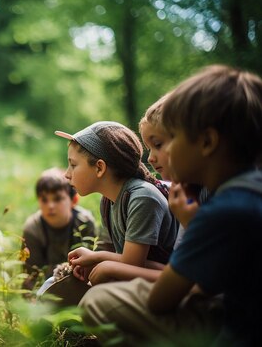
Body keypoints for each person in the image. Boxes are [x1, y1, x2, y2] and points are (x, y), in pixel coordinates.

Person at [79, 65, 262, 346]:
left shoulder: (221, 210)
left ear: (207, 142)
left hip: (233, 328)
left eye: (170, 139)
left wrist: (194, 224)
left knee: (98, 300)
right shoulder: (242, 193)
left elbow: (161, 299)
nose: (153, 157)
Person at [54, 121, 178, 287]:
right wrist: (88, 264)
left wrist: (96, 257)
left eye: (73, 165)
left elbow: (132, 263)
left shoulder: (142, 197)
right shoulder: (108, 202)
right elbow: (109, 251)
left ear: (99, 167)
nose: (67, 174)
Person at [21, 167, 97, 290]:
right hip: (44, 290)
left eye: (57, 199)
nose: (50, 205)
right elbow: (30, 277)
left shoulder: (84, 222)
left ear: (74, 200)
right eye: (44, 200)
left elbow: (91, 267)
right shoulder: (33, 229)